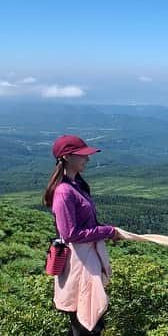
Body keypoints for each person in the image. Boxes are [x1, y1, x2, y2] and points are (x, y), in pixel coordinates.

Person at [42, 135, 123, 335]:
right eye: (82, 155)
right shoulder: (64, 192)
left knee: (88, 320)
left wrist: (105, 230)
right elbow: (70, 234)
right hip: (78, 265)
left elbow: (83, 226)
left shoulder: (76, 185)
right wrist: (108, 231)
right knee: (86, 323)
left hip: (85, 261)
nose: (87, 159)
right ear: (67, 157)